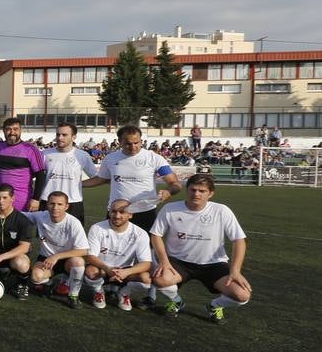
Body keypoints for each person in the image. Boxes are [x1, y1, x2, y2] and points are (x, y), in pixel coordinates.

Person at [149, 173, 250, 321]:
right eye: (193, 189)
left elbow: (239, 240)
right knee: (160, 279)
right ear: (187, 190)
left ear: (211, 193)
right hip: (179, 262)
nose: (196, 194)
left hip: (213, 264)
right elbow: (156, 235)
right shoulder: (170, 209)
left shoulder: (221, 211)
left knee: (242, 295)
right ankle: (176, 301)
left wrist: (235, 271)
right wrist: (164, 261)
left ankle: (215, 305)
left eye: (202, 191)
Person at [85, 124, 182, 231]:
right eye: (128, 144)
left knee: (145, 246)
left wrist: (168, 192)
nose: (133, 147)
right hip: (117, 212)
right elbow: (101, 179)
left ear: (141, 141)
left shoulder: (154, 158)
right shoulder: (110, 159)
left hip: (145, 212)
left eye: (136, 143)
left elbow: (175, 183)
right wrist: (79, 184)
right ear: (120, 141)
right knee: (112, 246)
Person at [82, 199, 153, 311]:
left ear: (130, 214)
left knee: (146, 279)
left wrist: (126, 272)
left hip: (125, 272)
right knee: (90, 272)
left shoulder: (140, 234)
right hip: (103, 269)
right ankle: (99, 291)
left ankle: (124, 293)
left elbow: (146, 263)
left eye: (122, 212)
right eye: (113, 211)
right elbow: (90, 257)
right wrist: (108, 269)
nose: (117, 216)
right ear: (109, 212)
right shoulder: (97, 228)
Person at [23, 191, 90, 308]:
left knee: (78, 262)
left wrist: (56, 256)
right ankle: (49, 283)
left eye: (60, 204)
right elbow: (16, 215)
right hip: (46, 259)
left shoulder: (73, 223)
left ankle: (73, 295)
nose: (55, 207)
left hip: (67, 260)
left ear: (66, 206)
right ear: (47, 204)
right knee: (35, 277)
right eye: (52, 203)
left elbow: (83, 250)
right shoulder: (41, 216)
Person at [36, 123, 99, 225]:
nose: (60, 138)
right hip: (48, 201)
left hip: (73, 202)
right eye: (58, 134)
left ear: (73, 137)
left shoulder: (82, 155)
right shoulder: (45, 154)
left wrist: (79, 184)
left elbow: (96, 178)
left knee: (73, 239)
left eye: (64, 135)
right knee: (46, 238)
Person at [0, 116, 46, 213]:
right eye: (8, 129)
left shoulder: (30, 149)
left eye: (15, 129)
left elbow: (41, 175)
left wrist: (36, 199)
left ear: (20, 130)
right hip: (0, 201)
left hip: (22, 203)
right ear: (3, 131)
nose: (12, 132)